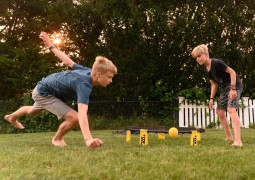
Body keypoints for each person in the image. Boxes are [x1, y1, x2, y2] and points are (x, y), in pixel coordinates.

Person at [4, 31, 117, 148]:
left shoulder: (87, 71)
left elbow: (68, 61)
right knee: (75, 117)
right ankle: (57, 139)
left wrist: (50, 45)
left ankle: (11, 117)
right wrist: (88, 139)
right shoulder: (84, 84)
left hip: (43, 88)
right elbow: (82, 114)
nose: (110, 81)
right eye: (109, 77)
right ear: (98, 74)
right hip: (45, 92)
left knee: (32, 110)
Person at [191, 44, 243, 147]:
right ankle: (229, 137)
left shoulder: (217, 63)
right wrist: (211, 99)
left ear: (206, 54)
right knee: (219, 111)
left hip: (234, 85)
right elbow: (213, 84)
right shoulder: (206, 69)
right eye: (196, 57)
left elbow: (232, 72)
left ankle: (238, 141)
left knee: (231, 109)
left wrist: (233, 89)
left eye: (199, 56)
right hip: (225, 87)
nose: (198, 59)